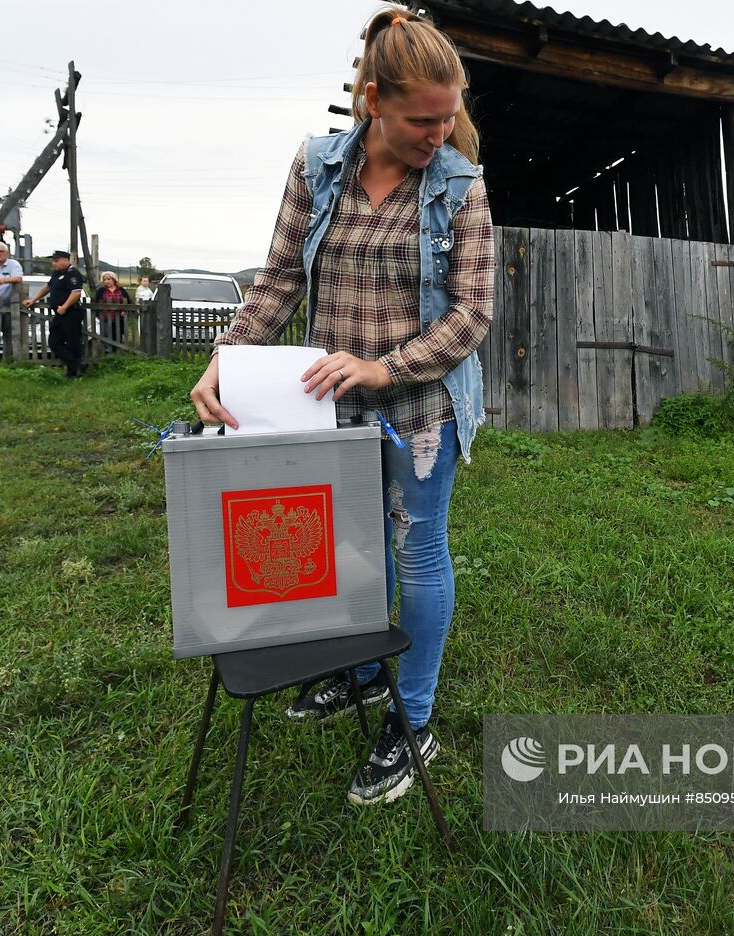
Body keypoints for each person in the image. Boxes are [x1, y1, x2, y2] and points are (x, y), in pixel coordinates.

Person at [189, 6, 493, 806]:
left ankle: (414, 717)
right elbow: (281, 277)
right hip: (334, 412)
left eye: (449, 113)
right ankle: (362, 676)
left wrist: (381, 366)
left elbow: (472, 313)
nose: (441, 132)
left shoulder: (460, 186)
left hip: (421, 411)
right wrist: (227, 356)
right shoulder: (316, 167)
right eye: (423, 119)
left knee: (416, 550)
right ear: (370, 101)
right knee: (353, 546)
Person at [23, 250, 87, 378]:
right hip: (60, 314)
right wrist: (33, 299)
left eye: (56, 260)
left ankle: (72, 372)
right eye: (53, 261)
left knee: (72, 342)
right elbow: (47, 287)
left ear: (66, 260)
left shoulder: (72, 273)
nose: (53, 263)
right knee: (54, 342)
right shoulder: (57, 274)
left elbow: (76, 292)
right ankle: (77, 364)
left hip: (70, 312)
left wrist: (65, 306)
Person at [95, 271, 131, 349]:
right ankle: (106, 350)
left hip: (118, 317)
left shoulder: (121, 290)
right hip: (105, 317)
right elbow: (95, 303)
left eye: (109, 279)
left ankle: (117, 350)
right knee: (106, 334)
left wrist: (125, 310)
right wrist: (97, 314)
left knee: (117, 334)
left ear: (114, 279)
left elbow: (128, 301)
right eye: (105, 280)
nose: (106, 281)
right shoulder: (100, 291)